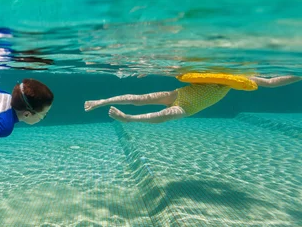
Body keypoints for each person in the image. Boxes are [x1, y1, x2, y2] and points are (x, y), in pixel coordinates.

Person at [84, 75, 301, 124]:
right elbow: (180, 67)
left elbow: (271, 82)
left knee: (162, 116)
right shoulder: (206, 68)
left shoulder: (238, 77)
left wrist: (298, 74)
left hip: (190, 106)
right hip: (181, 93)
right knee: (140, 98)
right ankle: (101, 101)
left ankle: (129, 119)